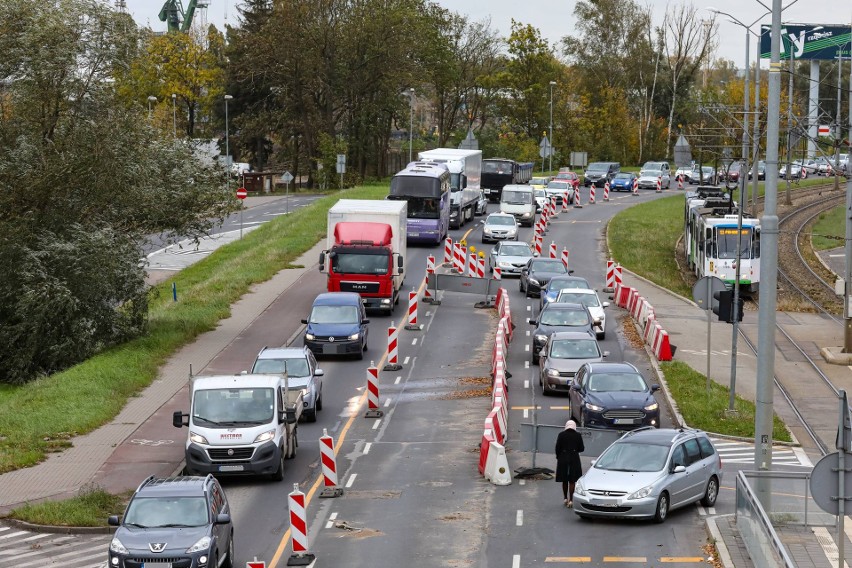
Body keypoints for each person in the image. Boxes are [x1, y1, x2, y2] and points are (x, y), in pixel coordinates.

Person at [555, 419, 584, 508]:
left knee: (564, 479)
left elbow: (557, 447)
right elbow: (582, 448)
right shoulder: (578, 435)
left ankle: (565, 498)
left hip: (563, 457)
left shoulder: (561, 435)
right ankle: (571, 500)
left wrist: (558, 456)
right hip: (574, 458)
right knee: (572, 480)